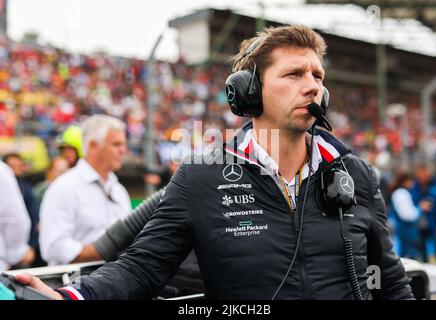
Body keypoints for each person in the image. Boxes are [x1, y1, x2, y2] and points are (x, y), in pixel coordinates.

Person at [16, 25, 413, 300]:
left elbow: (392, 281)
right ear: (249, 94)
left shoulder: (357, 175)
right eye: (293, 74)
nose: (313, 86)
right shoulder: (202, 177)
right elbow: (142, 268)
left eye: (317, 75)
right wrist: (73, 296)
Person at [38, 114, 132, 266]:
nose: (123, 150)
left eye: (124, 144)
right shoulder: (64, 187)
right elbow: (53, 247)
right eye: (116, 144)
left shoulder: (118, 190)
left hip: (116, 281)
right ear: (93, 146)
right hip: (76, 284)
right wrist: (104, 250)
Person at [3, 153, 39, 268]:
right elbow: (15, 219)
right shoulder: (4, 177)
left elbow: (33, 217)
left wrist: (31, 246)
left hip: (20, 249)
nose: (15, 168)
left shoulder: (27, 188)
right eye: (12, 165)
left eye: (18, 165)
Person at [411, 163, 436, 265]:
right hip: (419, 225)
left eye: (423, 174)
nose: (421, 176)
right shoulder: (414, 186)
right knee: (422, 252)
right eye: (418, 174)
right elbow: (411, 203)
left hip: (434, 224)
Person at [388, 171, 420, 259]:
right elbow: (406, 215)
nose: (412, 183)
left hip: (404, 230)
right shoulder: (401, 193)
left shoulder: (401, 192)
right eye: (411, 180)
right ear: (405, 181)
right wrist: (420, 210)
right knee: (407, 258)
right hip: (405, 230)